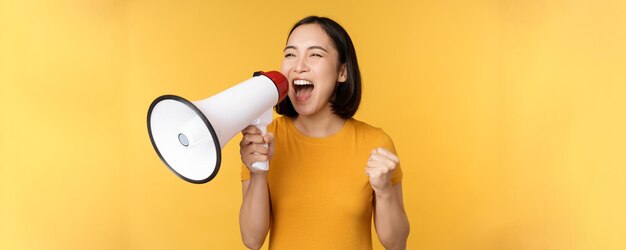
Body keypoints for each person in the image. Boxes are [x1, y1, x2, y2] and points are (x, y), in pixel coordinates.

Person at [239, 16, 410, 250]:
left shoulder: (376, 142)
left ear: (342, 72)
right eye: (290, 54)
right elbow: (252, 240)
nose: (299, 66)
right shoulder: (264, 139)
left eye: (315, 54)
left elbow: (397, 243)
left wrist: (384, 191)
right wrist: (258, 172)